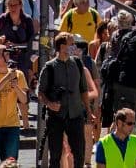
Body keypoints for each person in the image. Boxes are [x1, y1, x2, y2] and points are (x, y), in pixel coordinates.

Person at [40, 31, 91, 168]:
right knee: (55, 155)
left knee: (79, 154)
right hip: (56, 117)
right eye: (71, 44)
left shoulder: (78, 64)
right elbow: (40, 92)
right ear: (62, 46)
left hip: (76, 115)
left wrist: (88, 110)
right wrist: (49, 104)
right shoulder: (49, 67)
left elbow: (83, 90)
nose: (74, 47)